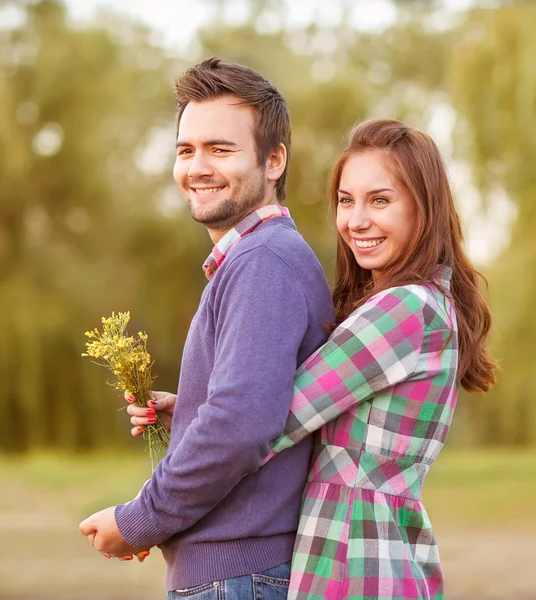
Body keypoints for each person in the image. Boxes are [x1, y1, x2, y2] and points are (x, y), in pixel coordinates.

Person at [126, 118, 496, 599]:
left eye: (380, 200)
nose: (356, 220)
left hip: (359, 563)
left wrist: (141, 517)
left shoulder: (403, 309)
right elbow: (290, 408)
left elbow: (268, 418)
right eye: (346, 200)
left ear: (423, 208)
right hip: (371, 557)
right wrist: (193, 406)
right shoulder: (424, 305)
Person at [79, 57, 334, 600]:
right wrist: (191, 408)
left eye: (221, 149)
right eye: (186, 149)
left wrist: (137, 521)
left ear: (273, 161)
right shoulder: (258, 259)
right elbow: (251, 411)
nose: (197, 166)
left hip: (237, 577)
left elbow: (238, 428)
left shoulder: (263, 262)